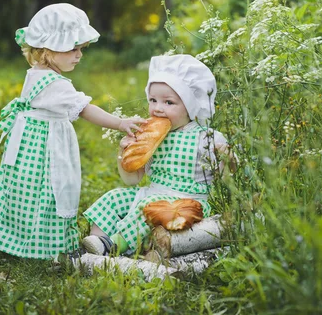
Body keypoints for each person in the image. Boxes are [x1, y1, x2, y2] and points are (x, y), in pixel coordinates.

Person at [0, 3, 144, 260]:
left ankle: (16, 241)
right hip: (46, 149)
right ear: (48, 50)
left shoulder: (37, 73)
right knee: (50, 188)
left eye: (81, 49)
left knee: (25, 191)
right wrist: (119, 123)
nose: (79, 55)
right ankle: (47, 247)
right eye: (73, 49)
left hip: (30, 143)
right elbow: (85, 109)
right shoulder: (55, 84)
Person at [82, 54, 229, 256]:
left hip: (186, 201)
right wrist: (123, 154)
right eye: (153, 100)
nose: (158, 108)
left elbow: (224, 179)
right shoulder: (150, 135)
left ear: (190, 106)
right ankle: (96, 243)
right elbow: (133, 179)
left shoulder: (206, 138)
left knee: (148, 207)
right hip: (151, 193)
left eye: (169, 103)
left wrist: (226, 159)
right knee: (114, 197)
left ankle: (114, 245)